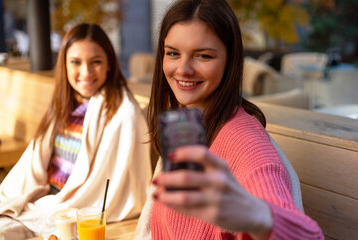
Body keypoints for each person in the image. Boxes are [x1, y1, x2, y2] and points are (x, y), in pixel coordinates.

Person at [134, 0, 324, 239]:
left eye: (203, 56)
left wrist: (258, 215)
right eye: (172, 53)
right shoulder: (185, 125)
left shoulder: (247, 142)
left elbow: (307, 235)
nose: (183, 69)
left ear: (230, 60)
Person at [0, 23, 152, 239]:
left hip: (73, 209)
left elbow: (125, 192)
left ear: (109, 63)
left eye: (96, 62)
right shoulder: (64, 103)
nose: (86, 72)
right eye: (76, 62)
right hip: (42, 198)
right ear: (65, 65)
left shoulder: (124, 114)